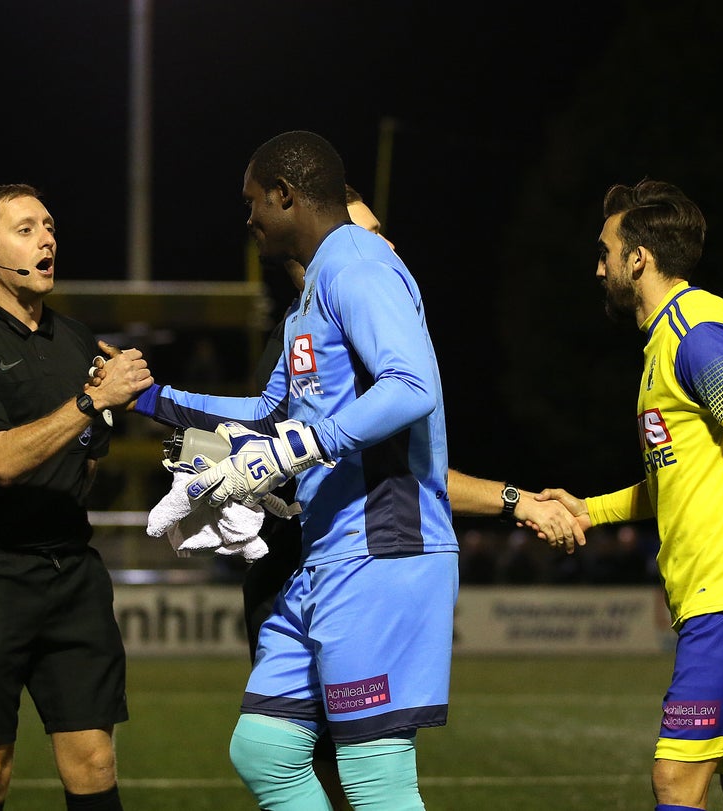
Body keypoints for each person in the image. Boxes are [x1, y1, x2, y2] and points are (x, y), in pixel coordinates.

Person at [128, 129, 490, 810]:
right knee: (264, 749)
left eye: (253, 201)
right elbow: (268, 413)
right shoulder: (312, 292)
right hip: (327, 558)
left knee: (374, 778)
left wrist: (300, 447)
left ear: (285, 195)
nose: (249, 218)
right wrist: (151, 400)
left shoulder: (357, 264)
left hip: (380, 548)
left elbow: (412, 384)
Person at [239, 182, 582, 810]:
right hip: (302, 577)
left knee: (358, 774)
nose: (385, 246)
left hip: (361, 569)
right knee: (290, 758)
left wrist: (516, 500)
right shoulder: (299, 345)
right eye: (367, 235)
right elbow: (266, 451)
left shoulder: (367, 329)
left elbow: (413, 472)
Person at [540, 179, 723, 811]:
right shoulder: (666, 341)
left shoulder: (697, 333)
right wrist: (589, 510)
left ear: (638, 259)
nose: (600, 264)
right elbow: (675, 478)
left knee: (676, 780)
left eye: (607, 249)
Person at [0, 183, 153, 811]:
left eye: (49, 227)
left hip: (70, 574)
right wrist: (90, 403)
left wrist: (109, 410)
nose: (47, 239)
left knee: (95, 760)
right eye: (25, 230)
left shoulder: (78, 340)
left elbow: (92, 454)